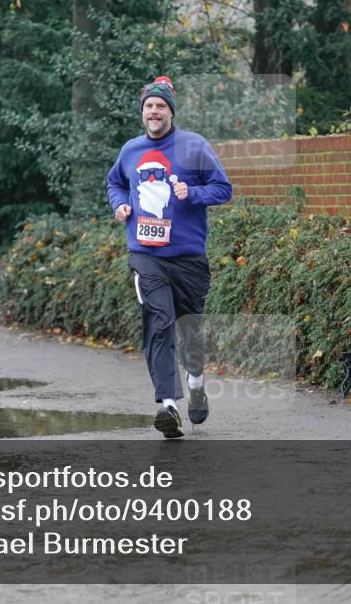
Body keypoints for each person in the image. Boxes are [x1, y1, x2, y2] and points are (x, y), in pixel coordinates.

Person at [106, 76, 233, 439]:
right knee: (159, 322)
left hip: (189, 256)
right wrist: (120, 205)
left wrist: (190, 192)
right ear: (143, 112)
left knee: (190, 329)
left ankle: (195, 382)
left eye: (161, 106)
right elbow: (114, 182)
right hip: (146, 255)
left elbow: (223, 189)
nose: (154, 111)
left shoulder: (194, 146)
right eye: (149, 106)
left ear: (170, 112)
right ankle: (169, 407)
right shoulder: (130, 150)